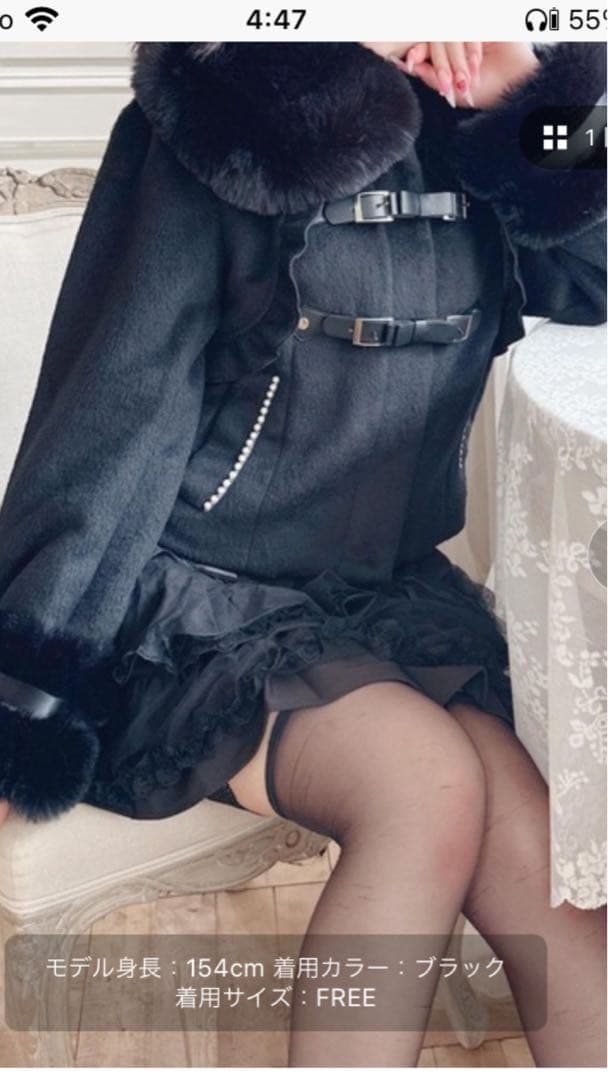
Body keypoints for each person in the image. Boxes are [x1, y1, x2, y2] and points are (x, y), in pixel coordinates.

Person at [0, 40, 605, 1067]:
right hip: (190, 605)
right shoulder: (219, 115)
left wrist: (529, 104)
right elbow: (114, 417)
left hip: (383, 598)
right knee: (424, 785)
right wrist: (28, 699)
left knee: (530, 837)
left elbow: (593, 280)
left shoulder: (481, 116)